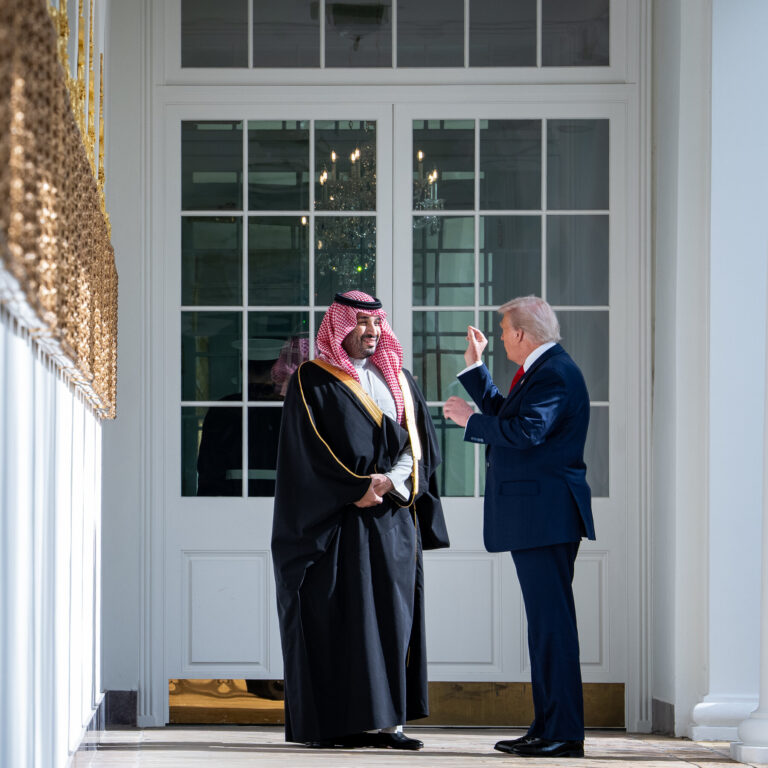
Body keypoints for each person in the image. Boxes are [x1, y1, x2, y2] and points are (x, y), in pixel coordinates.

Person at [271, 290, 449, 750]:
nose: (371, 332)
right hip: (335, 524)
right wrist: (356, 487)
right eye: (361, 323)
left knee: (392, 619)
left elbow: (419, 445)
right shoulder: (312, 379)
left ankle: (391, 725)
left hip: (392, 522)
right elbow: (306, 452)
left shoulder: (401, 380)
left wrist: (389, 482)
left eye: (377, 324)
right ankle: (336, 726)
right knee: (337, 619)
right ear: (339, 326)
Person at [443, 295, 595, 759]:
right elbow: (510, 416)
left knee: (551, 629)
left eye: (505, 331)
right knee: (545, 629)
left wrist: (471, 421)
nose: (503, 338)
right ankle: (548, 727)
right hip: (540, 518)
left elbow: (526, 432)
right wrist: (476, 367)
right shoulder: (543, 370)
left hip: (545, 518)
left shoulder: (555, 373)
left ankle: (563, 733)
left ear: (522, 334)